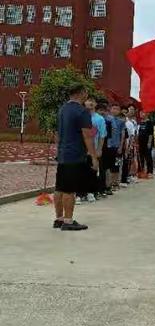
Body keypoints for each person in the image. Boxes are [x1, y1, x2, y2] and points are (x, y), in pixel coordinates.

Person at [53, 83, 97, 231]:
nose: (87, 95)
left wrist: (58, 150)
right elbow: (87, 136)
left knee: (59, 187)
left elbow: (57, 134)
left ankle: (59, 219)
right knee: (69, 190)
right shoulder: (82, 111)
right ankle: (68, 221)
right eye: (86, 92)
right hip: (74, 154)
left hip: (63, 153)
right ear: (80, 93)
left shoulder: (62, 109)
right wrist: (94, 156)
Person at [76, 96, 107, 204]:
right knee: (80, 172)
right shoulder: (80, 116)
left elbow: (102, 135)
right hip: (80, 149)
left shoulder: (99, 119)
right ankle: (79, 194)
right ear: (84, 103)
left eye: (93, 101)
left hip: (93, 150)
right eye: (88, 101)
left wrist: (99, 149)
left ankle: (90, 192)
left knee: (92, 171)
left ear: (95, 104)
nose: (90, 103)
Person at [105, 103, 125, 192]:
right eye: (113, 108)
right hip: (107, 146)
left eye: (117, 109)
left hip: (116, 146)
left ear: (119, 111)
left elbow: (123, 135)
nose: (115, 110)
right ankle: (107, 184)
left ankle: (115, 183)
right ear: (110, 109)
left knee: (116, 165)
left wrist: (121, 146)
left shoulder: (121, 121)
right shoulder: (106, 119)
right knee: (107, 166)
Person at [138, 110, 154, 178]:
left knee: (148, 157)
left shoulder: (149, 122)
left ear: (147, 113)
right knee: (140, 157)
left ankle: (150, 171)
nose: (141, 114)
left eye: (142, 113)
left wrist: (149, 142)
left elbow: (151, 134)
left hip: (147, 143)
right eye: (140, 112)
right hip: (140, 143)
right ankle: (141, 171)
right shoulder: (139, 122)